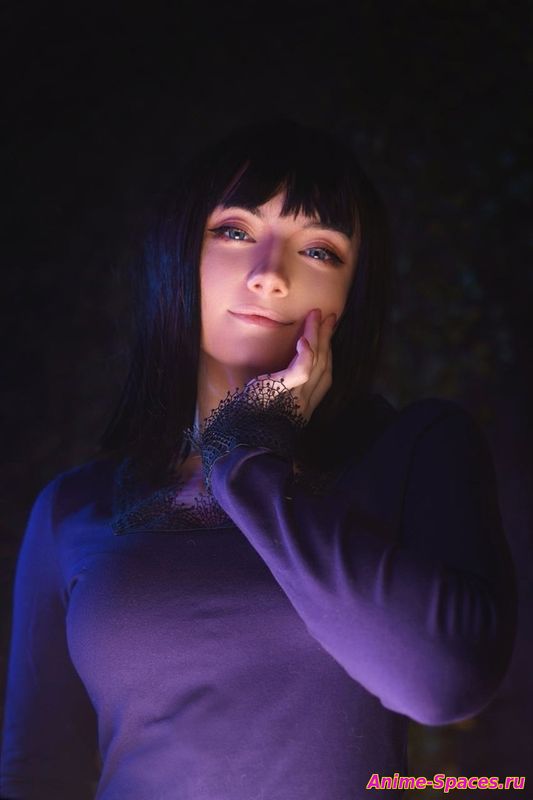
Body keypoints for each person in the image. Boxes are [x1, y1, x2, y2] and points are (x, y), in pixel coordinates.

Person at [0, 117, 517, 800]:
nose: (270, 275)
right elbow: (35, 774)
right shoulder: (73, 509)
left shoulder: (416, 451)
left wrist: (241, 456)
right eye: (236, 232)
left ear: (350, 297)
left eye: (320, 250)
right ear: (178, 254)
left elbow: (441, 684)